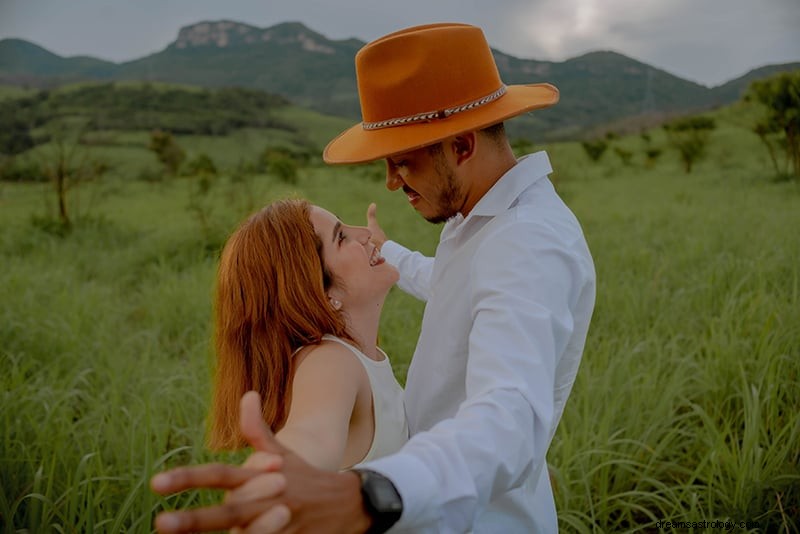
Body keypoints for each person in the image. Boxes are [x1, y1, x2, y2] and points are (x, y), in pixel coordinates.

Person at [151, 22, 596, 533]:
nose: (390, 183)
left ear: (463, 147)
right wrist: (392, 254)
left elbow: (509, 419)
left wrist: (375, 492)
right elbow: (452, 290)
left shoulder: (526, 240)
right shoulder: (475, 219)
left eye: (401, 162)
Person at [206, 198, 407, 470]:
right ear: (317, 292)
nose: (365, 234)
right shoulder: (331, 362)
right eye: (341, 237)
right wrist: (279, 472)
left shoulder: (358, 355)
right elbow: (311, 435)